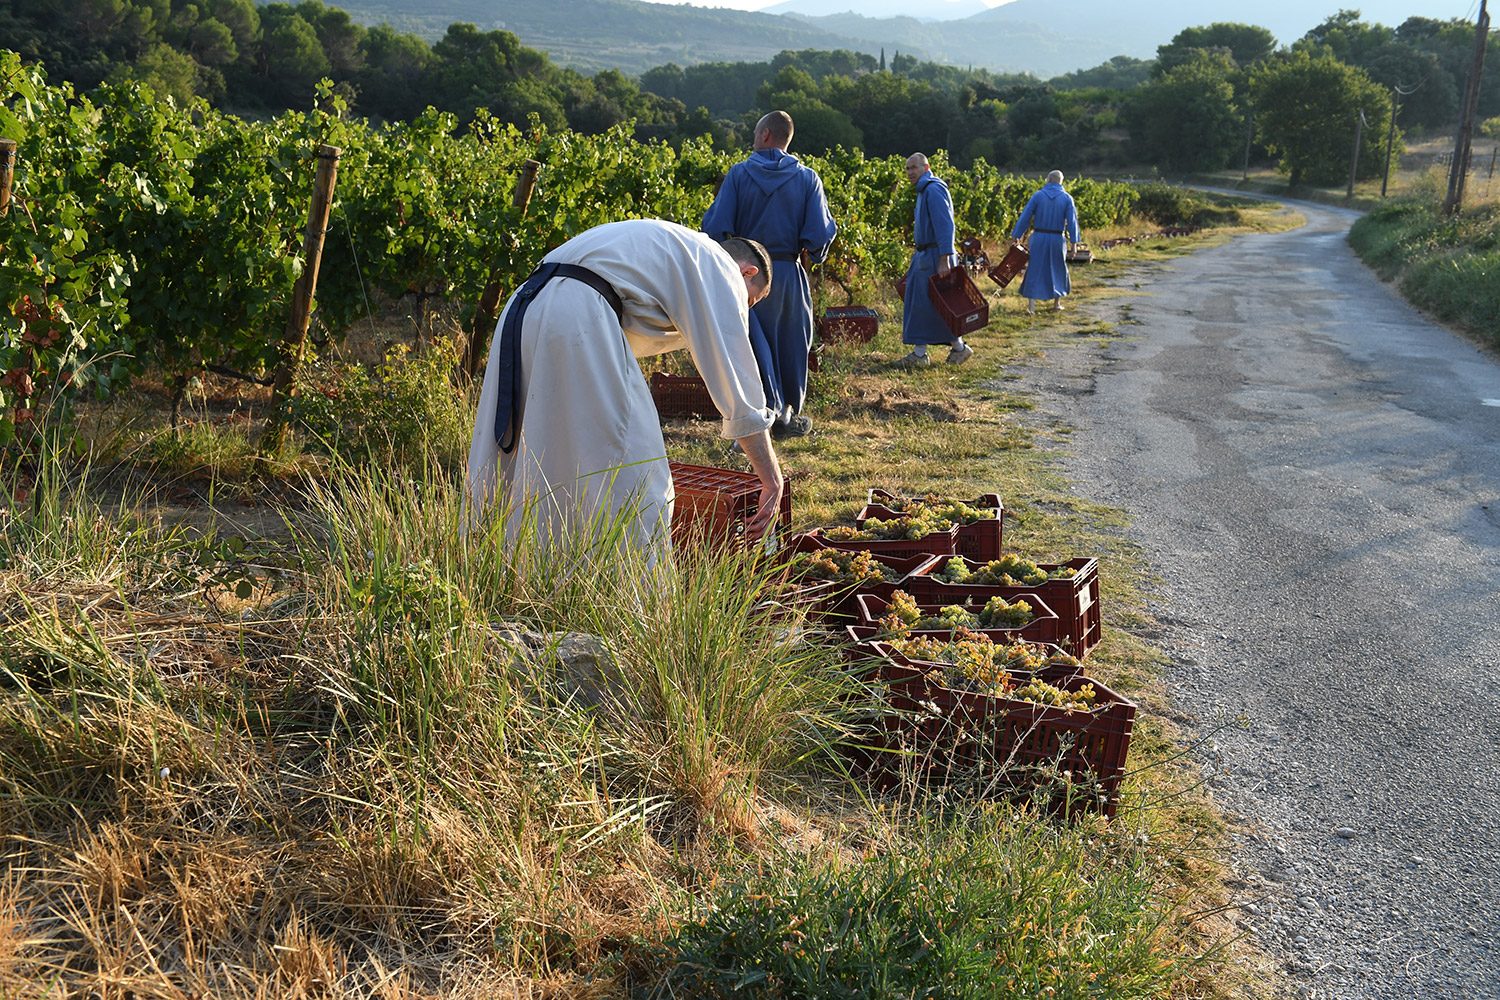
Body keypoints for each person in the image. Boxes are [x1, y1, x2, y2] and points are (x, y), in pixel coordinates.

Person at [464, 219, 784, 558]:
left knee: (539, 454)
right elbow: (736, 380)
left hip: (524, 305)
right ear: (747, 273)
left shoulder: (675, 247)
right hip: (579, 310)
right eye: (750, 302)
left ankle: (519, 573)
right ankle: (630, 596)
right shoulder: (720, 266)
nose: (743, 311)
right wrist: (771, 478)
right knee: (638, 481)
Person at [702, 110, 838, 439]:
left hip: (746, 276)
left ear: (764, 135)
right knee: (792, 343)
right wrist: (814, 256)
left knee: (746, 346)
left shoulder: (738, 174)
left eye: (754, 132)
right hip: (788, 272)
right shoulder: (807, 178)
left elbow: (715, 227)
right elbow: (820, 236)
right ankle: (788, 415)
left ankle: (755, 417)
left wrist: (726, 265)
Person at [897, 153, 973, 367]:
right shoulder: (924, 190)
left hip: (934, 255)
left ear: (926, 166)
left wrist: (944, 258)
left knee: (926, 304)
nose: (910, 172)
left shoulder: (933, 189)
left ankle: (921, 355)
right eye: (908, 169)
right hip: (925, 255)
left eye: (914, 167)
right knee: (929, 304)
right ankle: (957, 348)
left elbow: (945, 225)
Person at [1010, 170, 1081, 314]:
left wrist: (1017, 235)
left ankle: (1031, 306)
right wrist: (1074, 245)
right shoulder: (1067, 198)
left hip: (1039, 237)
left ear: (1048, 180)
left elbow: (1025, 216)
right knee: (1058, 268)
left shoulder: (1038, 196)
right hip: (1057, 238)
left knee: (1034, 268)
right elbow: (1073, 223)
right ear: (1061, 182)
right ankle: (1057, 303)